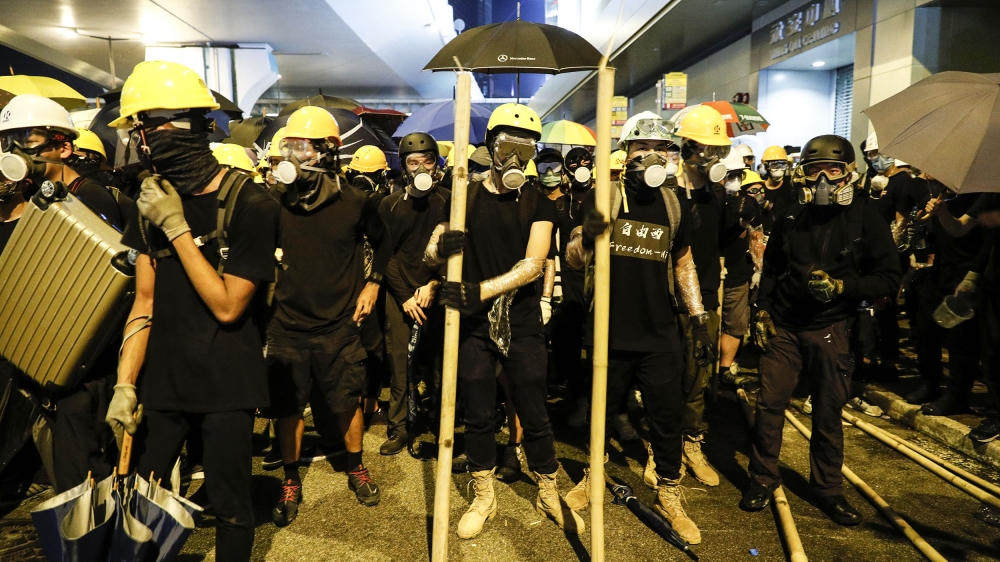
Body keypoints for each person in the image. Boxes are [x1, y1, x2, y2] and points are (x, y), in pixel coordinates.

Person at [107, 60, 280, 562]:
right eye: (138, 131)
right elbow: (145, 301)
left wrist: (178, 229)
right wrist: (125, 381)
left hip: (226, 382)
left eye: (145, 128)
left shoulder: (251, 202)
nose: (141, 141)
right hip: (164, 382)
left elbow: (228, 307)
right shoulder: (153, 200)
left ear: (181, 126)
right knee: (143, 504)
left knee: (229, 506)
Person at [564, 109, 721, 545]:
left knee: (666, 417)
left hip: (659, 334)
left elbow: (683, 261)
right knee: (600, 414)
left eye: (659, 148)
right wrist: (586, 233)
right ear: (627, 152)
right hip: (609, 332)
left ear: (669, 155)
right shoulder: (604, 196)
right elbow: (574, 259)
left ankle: (669, 492)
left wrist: (699, 315)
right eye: (641, 148)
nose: (650, 155)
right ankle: (593, 477)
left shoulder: (674, 204)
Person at [429, 103, 583, 539]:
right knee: (477, 412)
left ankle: (548, 488)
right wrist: (440, 247)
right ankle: (484, 495)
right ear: (490, 146)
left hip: (521, 322)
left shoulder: (537, 201)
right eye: (507, 146)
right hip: (472, 327)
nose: (516, 158)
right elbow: (429, 253)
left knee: (534, 409)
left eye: (526, 148)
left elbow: (533, 265)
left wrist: (479, 290)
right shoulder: (463, 196)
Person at [742, 134, 901, 526]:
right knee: (769, 404)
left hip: (832, 328)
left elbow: (888, 277)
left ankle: (827, 489)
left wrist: (844, 287)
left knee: (828, 412)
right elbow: (774, 269)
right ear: (804, 176)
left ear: (849, 174)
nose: (824, 181)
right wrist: (762, 311)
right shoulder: (792, 217)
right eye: (815, 171)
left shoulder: (866, 217)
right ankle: (762, 479)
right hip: (786, 326)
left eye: (832, 171)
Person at [0, 94, 132, 495]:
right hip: (52, 359)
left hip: (84, 366)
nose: (16, 151)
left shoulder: (88, 197)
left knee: (84, 472)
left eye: (28, 138)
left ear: (64, 146)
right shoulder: (38, 201)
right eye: (8, 141)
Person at [263, 106, 385, 526]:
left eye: (303, 148)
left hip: (340, 323)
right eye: (289, 147)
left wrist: (373, 284)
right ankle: (291, 479)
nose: (294, 156)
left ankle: (355, 465)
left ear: (329, 152)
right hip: (287, 325)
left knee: (347, 398)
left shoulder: (356, 202)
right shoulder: (275, 202)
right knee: (287, 406)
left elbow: (383, 244)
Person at [377, 132, 449, 456]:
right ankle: (400, 427)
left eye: (427, 160)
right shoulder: (390, 205)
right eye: (413, 162)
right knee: (399, 363)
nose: (421, 168)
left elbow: (455, 250)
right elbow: (385, 254)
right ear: (404, 168)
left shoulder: (448, 202)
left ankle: (438, 423)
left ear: (436, 164)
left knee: (439, 360)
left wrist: (434, 284)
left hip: (437, 290)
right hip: (399, 292)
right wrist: (406, 295)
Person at [552, 146, 594, 428]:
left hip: (595, 279)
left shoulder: (602, 200)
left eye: (585, 163)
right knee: (567, 344)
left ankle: (603, 403)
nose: (581, 169)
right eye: (575, 165)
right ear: (566, 171)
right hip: (567, 280)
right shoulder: (558, 205)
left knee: (595, 342)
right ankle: (577, 397)